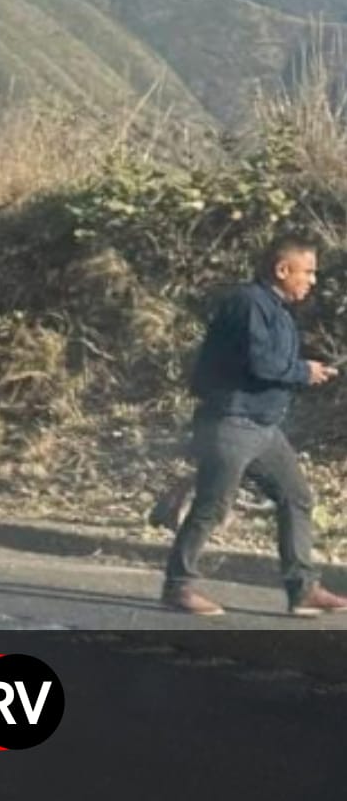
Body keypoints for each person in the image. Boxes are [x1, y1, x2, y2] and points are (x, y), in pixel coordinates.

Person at [161, 234, 347, 616]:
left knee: (296, 497)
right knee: (213, 507)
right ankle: (177, 587)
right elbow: (260, 363)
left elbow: (268, 365)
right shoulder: (248, 304)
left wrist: (305, 372)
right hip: (232, 423)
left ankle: (303, 589)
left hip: (262, 427)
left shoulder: (276, 309)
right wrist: (301, 371)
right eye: (307, 272)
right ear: (282, 269)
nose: (312, 280)